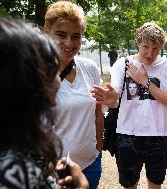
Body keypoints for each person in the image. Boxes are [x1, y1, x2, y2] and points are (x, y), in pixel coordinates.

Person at [0, 18, 88, 189]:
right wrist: (82, 186)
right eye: (50, 67)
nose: (58, 79)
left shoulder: (18, 141)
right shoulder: (11, 172)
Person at [92, 22, 167, 189]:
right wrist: (110, 98)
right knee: (129, 184)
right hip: (128, 135)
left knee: (155, 183)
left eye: (155, 48)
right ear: (137, 42)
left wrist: (145, 82)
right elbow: (115, 96)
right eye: (145, 46)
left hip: (158, 134)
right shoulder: (122, 65)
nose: (149, 53)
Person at [44, 1, 103, 188]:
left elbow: (97, 111)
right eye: (61, 35)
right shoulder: (32, 72)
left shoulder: (89, 67)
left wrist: (98, 150)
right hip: (52, 169)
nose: (69, 43)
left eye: (76, 36)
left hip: (90, 163)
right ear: (47, 32)